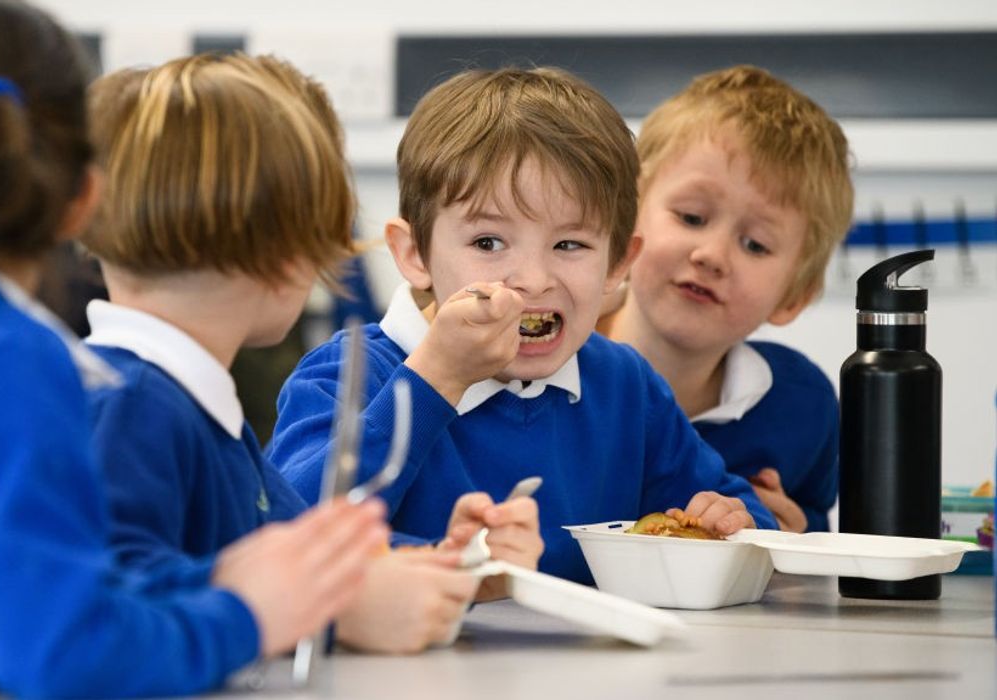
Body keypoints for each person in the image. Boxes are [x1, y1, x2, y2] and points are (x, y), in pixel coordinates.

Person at [0, 2, 386, 697]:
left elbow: (30, 599)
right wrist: (245, 616)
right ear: (84, 196)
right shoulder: (14, 365)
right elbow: (66, 660)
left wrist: (212, 581)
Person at [83, 54, 535, 652]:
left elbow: (284, 545)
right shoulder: (133, 408)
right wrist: (330, 616)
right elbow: (94, 627)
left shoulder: (181, 400)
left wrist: (433, 561)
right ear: (291, 259)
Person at [269, 67, 776, 584]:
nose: (533, 280)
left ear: (619, 263)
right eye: (488, 243)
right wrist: (436, 378)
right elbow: (288, 533)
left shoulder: (625, 384)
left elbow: (748, 522)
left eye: (569, 245)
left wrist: (728, 523)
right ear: (415, 254)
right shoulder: (349, 373)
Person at [599, 66, 853, 533]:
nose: (712, 255)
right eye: (692, 217)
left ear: (793, 295)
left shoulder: (802, 407)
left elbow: (812, 526)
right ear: (624, 216)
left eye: (755, 244)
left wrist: (793, 539)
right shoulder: (543, 360)